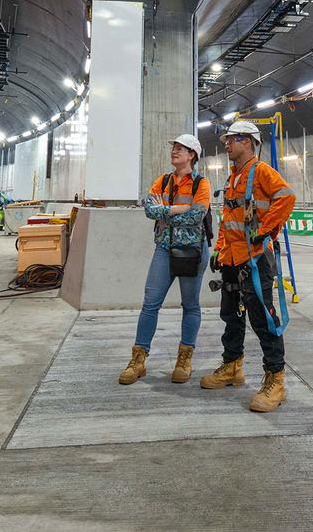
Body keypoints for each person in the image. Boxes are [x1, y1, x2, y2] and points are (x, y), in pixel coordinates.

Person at [200, 120, 296, 412]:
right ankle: (232, 367)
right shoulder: (233, 177)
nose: (226, 144)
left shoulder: (261, 172)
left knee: (263, 319)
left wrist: (266, 230)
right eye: (226, 140)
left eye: (232, 139)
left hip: (254, 261)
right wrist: (218, 250)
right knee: (231, 314)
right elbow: (230, 219)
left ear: (248, 141)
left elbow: (286, 197)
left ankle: (276, 381)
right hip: (232, 258)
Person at [118, 133, 213, 385]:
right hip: (164, 248)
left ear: (192, 155)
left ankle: (184, 359)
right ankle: (138, 360)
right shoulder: (163, 180)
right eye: (174, 148)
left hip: (193, 250)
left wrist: (165, 212)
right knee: (150, 303)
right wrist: (176, 208)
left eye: (181, 149)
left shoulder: (201, 184)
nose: (175, 151)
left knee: (190, 305)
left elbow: (196, 216)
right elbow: (149, 209)